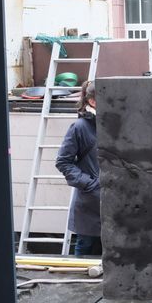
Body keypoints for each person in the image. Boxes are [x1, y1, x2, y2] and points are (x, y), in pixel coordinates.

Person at [55, 80, 102, 257]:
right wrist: (90, 185)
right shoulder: (80, 127)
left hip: (114, 206)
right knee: (85, 256)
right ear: (92, 101)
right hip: (89, 206)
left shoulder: (115, 125)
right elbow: (63, 162)